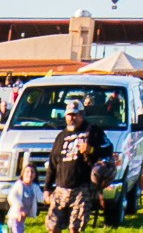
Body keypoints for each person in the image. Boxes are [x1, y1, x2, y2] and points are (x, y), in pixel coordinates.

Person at [43, 97, 114, 233]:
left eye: (75, 115)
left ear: (82, 115)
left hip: (82, 189)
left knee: (75, 228)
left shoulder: (93, 131)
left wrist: (91, 150)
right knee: (52, 228)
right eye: (69, 115)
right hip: (60, 189)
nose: (72, 118)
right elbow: (52, 164)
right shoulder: (61, 137)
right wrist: (47, 188)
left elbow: (108, 148)